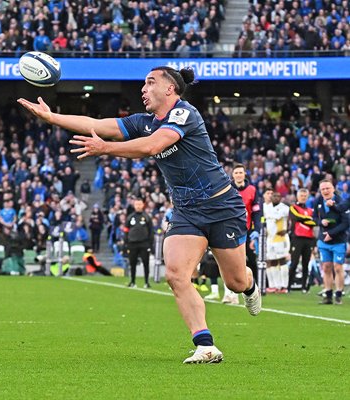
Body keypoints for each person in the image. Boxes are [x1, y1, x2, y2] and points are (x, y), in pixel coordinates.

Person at [18, 66, 261, 364]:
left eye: (150, 82)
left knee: (235, 282)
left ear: (170, 89)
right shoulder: (143, 122)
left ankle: (249, 285)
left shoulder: (185, 114)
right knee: (175, 274)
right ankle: (205, 344)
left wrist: (106, 148)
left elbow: (153, 146)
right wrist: (52, 117)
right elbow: (96, 123)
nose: (143, 89)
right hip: (187, 212)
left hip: (222, 207)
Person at [224, 163, 262, 303]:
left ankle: (253, 290)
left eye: (241, 172)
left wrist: (257, 230)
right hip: (230, 230)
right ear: (232, 175)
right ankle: (230, 294)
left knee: (251, 260)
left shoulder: (252, 190)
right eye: (236, 173)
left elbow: (257, 212)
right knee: (230, 261)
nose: (239, 175)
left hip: (247, 231)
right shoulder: (227, 189)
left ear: (245, 174)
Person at [314, 179, 348, 305]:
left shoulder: (341, 202)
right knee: (326, 267)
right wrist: (320, 222)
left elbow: (346, 223)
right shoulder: (318, 201)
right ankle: (328, 295)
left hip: (338, 240)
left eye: (328, 188)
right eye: (323, 189)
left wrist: (331, 234)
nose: (325, 191)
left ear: (333, 188)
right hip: (323, 241)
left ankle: (338, 294)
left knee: (338, 267)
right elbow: (313, 217)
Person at [288, 188, 316, 293]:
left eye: (305, 196)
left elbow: (315, 222)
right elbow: (296, 218)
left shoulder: (310, 210)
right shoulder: (293, 207)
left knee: (306, 263)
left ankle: (304, 287)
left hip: (309, 239)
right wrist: (308, 220)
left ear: (307, 197)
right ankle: (288, 286)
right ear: (297, 196)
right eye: (301, 195)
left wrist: (306, 220)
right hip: (297, 238)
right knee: (294, 263)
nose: (303, 197)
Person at [263, 191, 290, 293]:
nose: (276, 198)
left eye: (278, 196)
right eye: (274, 196)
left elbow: (290, 220)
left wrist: (287, 230)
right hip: (270, 239)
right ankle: (274, 285)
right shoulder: (267, 207)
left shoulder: (284, 208)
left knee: (282, 261)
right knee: (271, 261)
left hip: (280, 238)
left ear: (281, 198)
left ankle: (284, 286)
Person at [124, 198, 154, 288]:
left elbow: (151, 231)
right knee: (132, 263)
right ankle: (132, 281)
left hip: (144, 243)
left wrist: (150, 243)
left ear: (143, 205)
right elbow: (126, 230)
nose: (138, 206)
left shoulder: (147, 217)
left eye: (140, 204)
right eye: (136, 204)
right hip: (132, 243)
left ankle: (146, 282)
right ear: (134, 205)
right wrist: (126, 242)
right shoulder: (130, 217)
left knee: (146, 263)